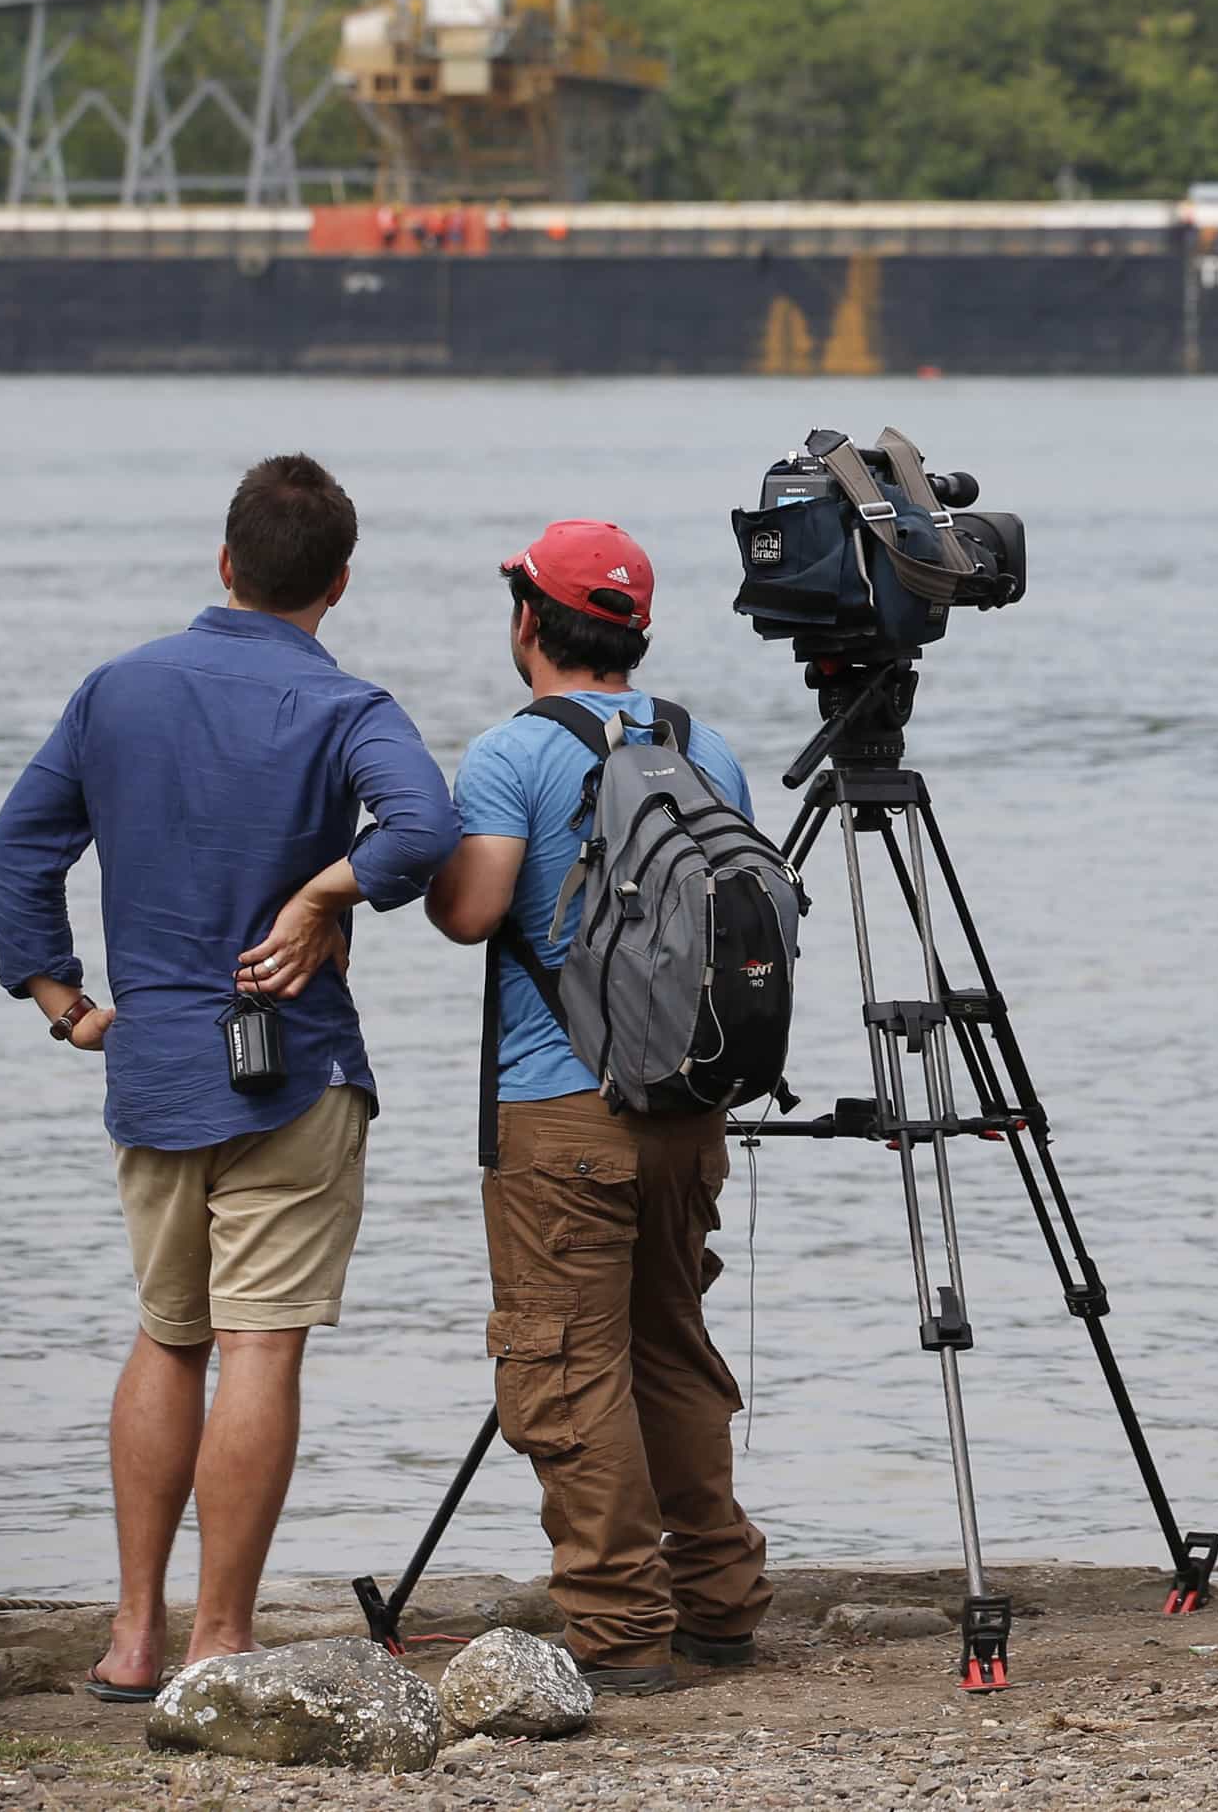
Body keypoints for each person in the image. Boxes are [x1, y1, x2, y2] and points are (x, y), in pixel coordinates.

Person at [0, 455, 457, 1699]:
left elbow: (11, 861)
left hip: (152, 1070)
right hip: (293, 1070)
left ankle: (132, 1637)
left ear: (225, 560)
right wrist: (323, 889)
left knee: (167, 1337)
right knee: (261, 1348)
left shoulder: (117, 690)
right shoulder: (353, 709)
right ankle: (219, 1639)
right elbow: (423, 829)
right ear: (337, 585)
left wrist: (67, 1006)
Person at [423, 522, 773, 1693]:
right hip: (686, 1106)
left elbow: (471, 914)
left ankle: (620, 1633)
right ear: (636, 631)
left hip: (561, 1114)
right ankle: (721, 1604)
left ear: (528, 620)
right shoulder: (702, 746)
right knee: (670, 1349)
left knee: (566, 1369)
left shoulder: (509, 754)